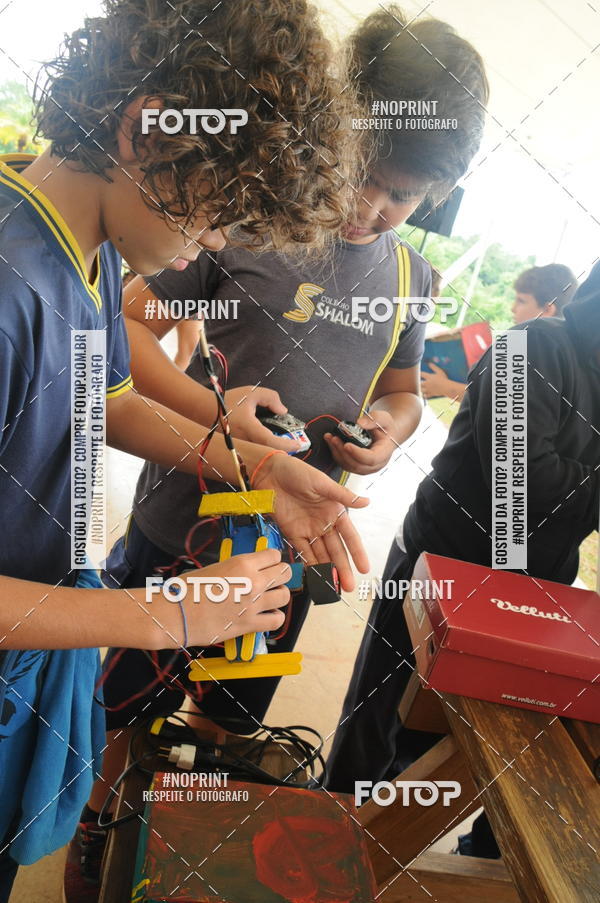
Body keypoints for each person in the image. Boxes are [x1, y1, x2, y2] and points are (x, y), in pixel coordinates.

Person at [65, 5, 490, 896]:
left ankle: (174, 842)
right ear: (331, 134)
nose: (375, 207)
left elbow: (405, 391)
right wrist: (217, 418)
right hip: (179, 523)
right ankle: (99, 821)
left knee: (229, 718)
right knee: (124, 698)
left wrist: (388, 432)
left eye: (405, 196)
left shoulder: (414, 279)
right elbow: (124, 332)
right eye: (367, 175)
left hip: (288, 547)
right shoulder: (244, 221)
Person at [0, 0, 371, 898]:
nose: (210, 246)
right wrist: (169, 613)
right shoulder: (11, 289)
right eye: (220, 217)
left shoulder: (86, 252)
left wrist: (255, 464)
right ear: (149, 129)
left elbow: (112, 397)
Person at [326, 262, 600, 858]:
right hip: (441, 560)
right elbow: (523, 476)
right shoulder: (532, 346)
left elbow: (560, 484)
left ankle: (427, 850)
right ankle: (331, 837)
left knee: (477, 740)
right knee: (380, 709)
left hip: (534, 584)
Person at [421, 263, 578, 401]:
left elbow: (502, 406)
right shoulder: (553, 353)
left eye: (521, 301)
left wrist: (445, 387)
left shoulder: (540, 357)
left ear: (547, 309)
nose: (513, 308)